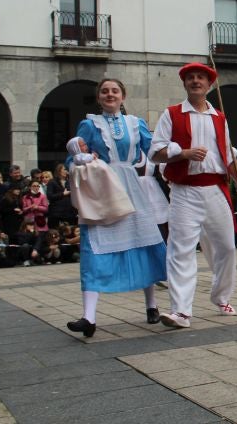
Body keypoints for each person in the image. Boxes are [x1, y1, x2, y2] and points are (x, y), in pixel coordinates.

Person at [149, 63, 237, 329]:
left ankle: (221, 296)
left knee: (227, 247)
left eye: (201, 78)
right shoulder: (172, 114)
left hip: (216, 189)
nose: (195, 81)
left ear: (210, 84)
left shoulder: (220, 117)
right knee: (181, 249)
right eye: (190, 78)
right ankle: (181, 311)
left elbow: (228, 156)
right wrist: (183, 153)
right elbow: (156, 152)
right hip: (184, 191)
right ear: (184, 84)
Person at [65, 78, 167, 338]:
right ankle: (89, 317)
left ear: (123, 96)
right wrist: (81, 158)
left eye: (115, 91)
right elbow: (72, 155)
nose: (110, 94)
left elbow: (154, 150)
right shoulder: (89, 125)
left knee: (143, 241)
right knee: (94, 246)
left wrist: (177, 154)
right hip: (103, 189)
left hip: (133, 187)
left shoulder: (136, 123)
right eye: (104, 91)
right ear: (98, 97)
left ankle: (151, 304)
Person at [46, 164, 76, 230]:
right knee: (55, 232)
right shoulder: (52, 182)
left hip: (69, 213)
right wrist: (62, 194)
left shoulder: (70, 182)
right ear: (59, 171)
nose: (66, 171)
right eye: (64, 169)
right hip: (56, 213)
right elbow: (49, 196)